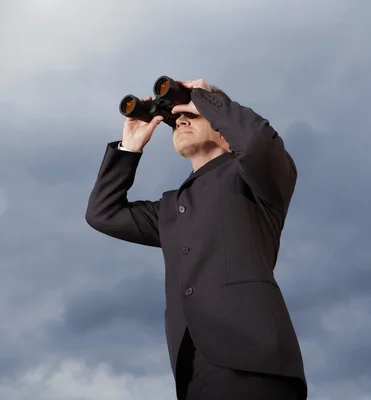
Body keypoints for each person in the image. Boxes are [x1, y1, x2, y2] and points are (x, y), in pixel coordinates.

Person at [85, 79, 307, 399]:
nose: (183, 120)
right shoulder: (171, 208)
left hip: (253, 361)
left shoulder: (255, 178)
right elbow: (102, 214)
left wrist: (204, 98)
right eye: (176, 120)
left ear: (223, 128)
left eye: (193, 115)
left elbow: (258, 142)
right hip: (193, 370)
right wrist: (129, 147)